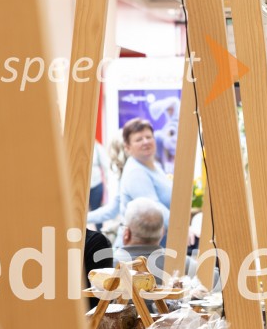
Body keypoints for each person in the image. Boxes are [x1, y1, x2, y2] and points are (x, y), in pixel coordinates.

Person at [88, 118, 172, 247]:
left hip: (156, 247)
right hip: (138, 252)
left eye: (149, 137)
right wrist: (181, 227)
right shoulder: (135, 173)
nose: (145, 142)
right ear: (127, 147)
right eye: (139, 139)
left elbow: (112, 210)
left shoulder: (154, 167)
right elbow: (155, 207)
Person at [114, 198, 213, 288]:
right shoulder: (180, 262)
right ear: (162, 232)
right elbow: (214, 278)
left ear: (126, 234)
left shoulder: (109, 263)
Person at [89, 141, 109, 230]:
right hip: (78, 187)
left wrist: (107, 183)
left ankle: (98, 234)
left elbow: (105, 166)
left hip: (96, 185)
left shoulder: (97, 147)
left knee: (96, 210)